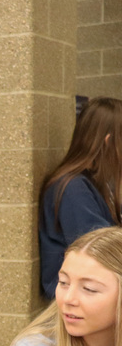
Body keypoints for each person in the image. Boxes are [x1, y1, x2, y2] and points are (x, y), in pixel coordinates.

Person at [39, 97, 122, 299]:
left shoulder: (94, 182)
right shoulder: (73, 188)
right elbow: (103, 252)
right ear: (109, 142)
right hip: (76, 296)